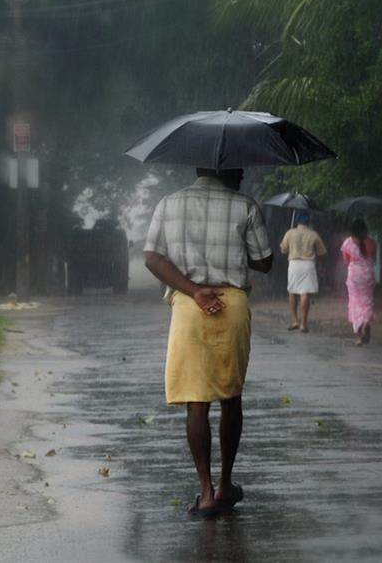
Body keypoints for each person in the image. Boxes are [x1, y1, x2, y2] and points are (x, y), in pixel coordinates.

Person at [143, 167, 273, 518]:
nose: (243, 174)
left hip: (188, 306)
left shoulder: (168, 204)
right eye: (239, 170)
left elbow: (152, 258)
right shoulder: (245, 205)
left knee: (196, 403)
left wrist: (196, 291)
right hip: (232, 305)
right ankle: (225, 483)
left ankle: (205, 492)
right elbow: (264, 262)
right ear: (226, 170)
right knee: (231, 397)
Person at [278, 212, 327, 332]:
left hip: (294, 264)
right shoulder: (313, 234)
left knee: (292, 291)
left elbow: (283, 250)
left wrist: (283, 245)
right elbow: (322, 252)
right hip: (308, 265)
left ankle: (295, 320)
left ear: (297, 221)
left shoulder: (290, 233)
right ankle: (303, 324)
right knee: (305, 292)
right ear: (308, 222)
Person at [340, 218, 377, 345]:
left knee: (355, 302)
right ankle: (366, 321)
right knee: (367, 301)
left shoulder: (347, 243)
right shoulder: (372, 242)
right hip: (368, 274)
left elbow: (346, 262)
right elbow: (373, 259)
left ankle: (360, 336)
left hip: (354, 275)